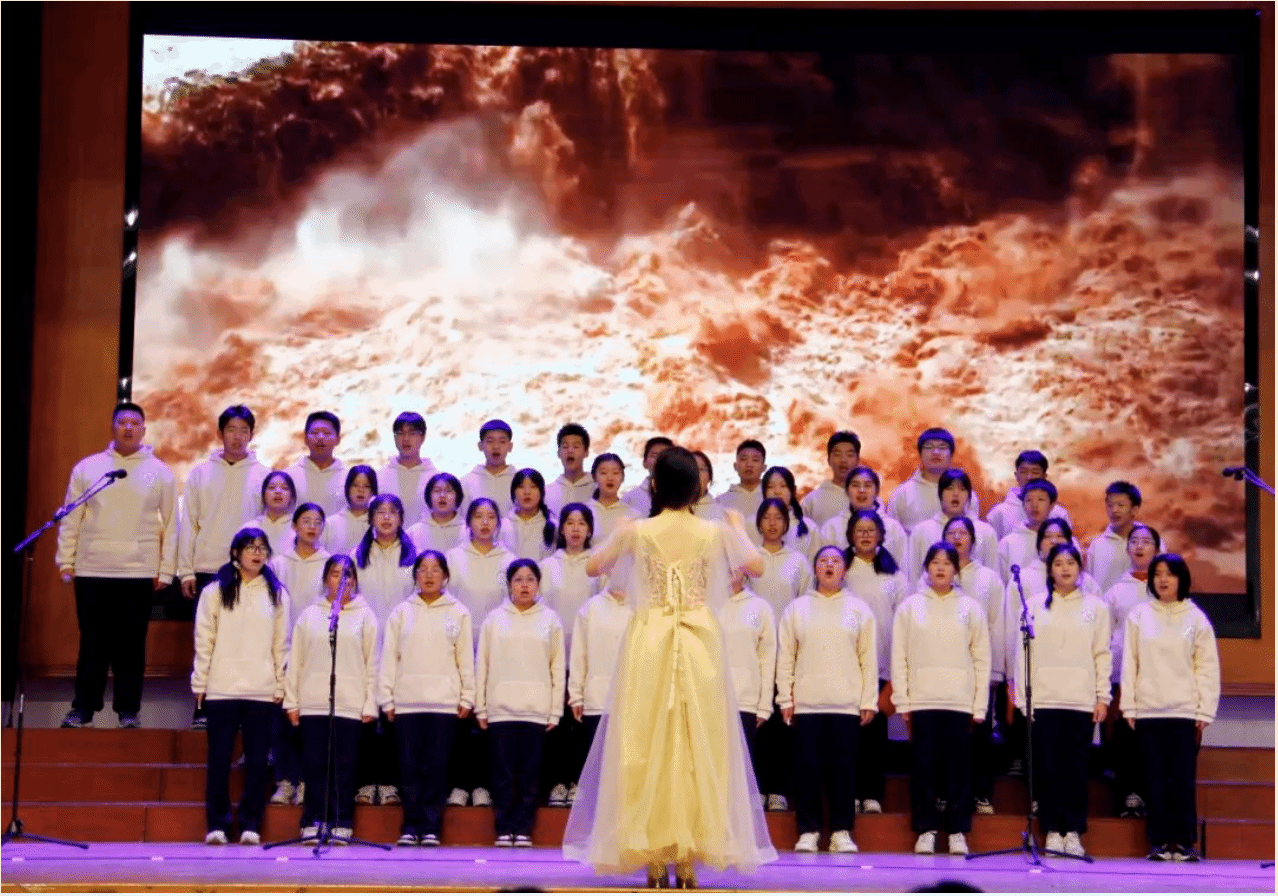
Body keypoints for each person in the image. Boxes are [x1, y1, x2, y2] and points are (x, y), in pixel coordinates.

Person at [563, 446, 776, 888]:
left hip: (650, 640)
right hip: (700, 643)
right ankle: (688, 857)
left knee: (645, 744)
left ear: (655, 485)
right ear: (697, 487)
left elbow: (593, 566)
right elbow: (756, 565)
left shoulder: (639, 530)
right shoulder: (714, 531)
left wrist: (619, 533)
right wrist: (739, 528)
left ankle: (656, 855)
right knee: (699, 745)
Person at [56, 402, 178, 729]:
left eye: (135, 423)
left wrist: (167, 570)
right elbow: (71, 517)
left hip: (138, 572)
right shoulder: (88, 468)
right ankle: (83, 708)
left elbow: (172, 524)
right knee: (92, 643)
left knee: (131, 646)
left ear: (144, 430)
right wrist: (66, 560)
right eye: (122, 422)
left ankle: (128, 711)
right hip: (92, 569)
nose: (128, 428)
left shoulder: (160, 471)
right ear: (112, 427)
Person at [1011, 543, 1111, 859]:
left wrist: (1102, 696)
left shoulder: (1096, 608)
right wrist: (1024, 700)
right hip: (1044, 700)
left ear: (1080, 568)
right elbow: (1021, 654)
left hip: (1080, 701)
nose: (1065, 568)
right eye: (1058, 563)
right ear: (1049, 570)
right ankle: (1052, 830)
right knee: (1048, 769)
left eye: (1070, 563)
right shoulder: (1034, 606)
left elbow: (1102, 653)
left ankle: (1074, 832)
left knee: (1076, 770)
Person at [191, 527, 290, 846]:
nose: (257, 553)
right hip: (222, 688)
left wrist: (280, 683)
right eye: (250, 547)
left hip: (261, 690)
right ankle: (217, 824)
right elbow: (204, 638)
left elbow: (281, 643)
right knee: (219, 759)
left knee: (258, 761)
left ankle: (251, 823)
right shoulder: (215, 591)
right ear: (236, 553)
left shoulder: (277, 593)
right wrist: (200, 681)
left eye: (262, 548)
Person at [892, 542, 991, 857]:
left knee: (959, 769)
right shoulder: (910, 607)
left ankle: (958, 830)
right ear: (926, 568)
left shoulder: (970, 608)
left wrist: (979, 704)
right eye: (935, 562)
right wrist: (903, 700)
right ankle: (926, 829)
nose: (940, 568)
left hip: (959, 701)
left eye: (947, 563)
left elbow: (981, 659)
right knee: (924, 768)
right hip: (923, 700)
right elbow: (899, 656)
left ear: (956, 570)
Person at [777, 546, 877, 855]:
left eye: (835, 561)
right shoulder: (797, 609)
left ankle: (841, 831)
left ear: (844, 570)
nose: (829, 565)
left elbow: (868, 658)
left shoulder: (859, 610)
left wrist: (868, 700)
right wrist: (785, 697)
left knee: (842, 772)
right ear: (816, 569)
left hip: (845, 705)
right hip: (807, 704)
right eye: (823, 560)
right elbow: (786, 656)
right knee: (807, 771)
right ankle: (808, 831)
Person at [1119, 554, 1219, 862]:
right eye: (1158, 574)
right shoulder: (1139, 615)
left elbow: (1206, 667)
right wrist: (1129, 706)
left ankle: (1185, 842)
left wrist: (1204, 711)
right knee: (1156, 780)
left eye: (1170, 574)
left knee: (1183, 780)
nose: (1163, 580)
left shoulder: (1196, 618)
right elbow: (1130, 662)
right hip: (1149, 711)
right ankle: (1160, 842)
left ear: (1181, 579)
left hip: (1185, 712)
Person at [177, 405, 269, 731]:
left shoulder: (264, 475)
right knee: (208, 641)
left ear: (252, 435)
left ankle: (244, 712)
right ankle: (203, 707)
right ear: (220, 434)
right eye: (231, 429)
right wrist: (186, 571)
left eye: (244, 430)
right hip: (208, 568)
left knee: (247, 642)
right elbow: (188, 523)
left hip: (251, 573)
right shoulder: (201, 474)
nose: (237, 436)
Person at [377, 550, 475, 847]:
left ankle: (431, 826)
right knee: (408, 768)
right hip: (407, 703)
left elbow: (465, 659)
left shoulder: (458, 612)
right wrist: (386, 699)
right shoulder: (401, 612)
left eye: (435, 569)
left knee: (436, 767)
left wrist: (467, 696)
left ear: (445, 576)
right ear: (415, 575)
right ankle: (410, 825)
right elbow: (389, 658)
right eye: (423, 569)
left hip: (444, 704)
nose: (429, 575)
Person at [284, 555, 378, 845]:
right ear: (326, 579)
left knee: (344, 767)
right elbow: (296, 660)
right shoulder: (310, 615)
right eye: (336, 574)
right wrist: (292, 701)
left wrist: (370, 702)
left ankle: (340, 821)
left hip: (349, 703)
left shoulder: (365, 616)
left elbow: (373, 662)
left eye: (348, 575)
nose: (342, 580)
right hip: (313, 701)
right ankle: (312, 821)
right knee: (314, 765)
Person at [476, 559, 566, 848]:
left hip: (536, 711)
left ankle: (523, 829)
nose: (524, 585)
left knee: (530, 776)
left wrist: (555, 710)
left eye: (530, 579)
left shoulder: (550, 620)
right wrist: (481, 706)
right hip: (500, 710)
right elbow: (482, 665)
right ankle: (503, 828)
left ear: (538, 585)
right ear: (509, 585)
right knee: (502, 775)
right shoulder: (494, 619)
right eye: (518, 579)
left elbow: (557, 667)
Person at [444, 498, 516, 809]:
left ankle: (485, 785)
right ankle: (459, 785)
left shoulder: (509, 560)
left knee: (489, 720)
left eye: (490, 517)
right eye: (478, 516)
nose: (484, 522)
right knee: (459, 720)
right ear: (468, 522)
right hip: (457, 648)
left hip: (496, 650)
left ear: (499, 523)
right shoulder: (453, 558)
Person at [931, 516, 1004, 815]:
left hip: (980, 667)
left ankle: (980, 792)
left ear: (973, 540)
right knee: (944, 739)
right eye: (951, 532)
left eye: (963, 533)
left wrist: (995, 670)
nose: (957, 537)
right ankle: (943, 793)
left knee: (979, 732)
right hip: (944, 670)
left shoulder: (988, 578)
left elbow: (997, 623)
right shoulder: (930, 581)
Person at [842, 510, 908, 816]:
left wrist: (896, 670)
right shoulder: (841, 570)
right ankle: (849, 793)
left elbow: (903, 623)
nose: (866, 535)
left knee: (874, 734)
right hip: (845, 667)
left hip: (881, 665)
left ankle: (871, 794)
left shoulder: (894, 576)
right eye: (860, 530)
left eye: (871, 530)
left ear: (881, 535)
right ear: (850, 535)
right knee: (848, 736)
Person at [351, 495, 416, 806]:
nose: (386, 518)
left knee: (393, 717)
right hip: (363, 645)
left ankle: (390, 782)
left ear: (401, 518)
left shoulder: (414, 558)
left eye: (393, 512)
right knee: (364, 715)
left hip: (402, 648)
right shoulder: (356, 556)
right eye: (380, 512)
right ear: (370, 518)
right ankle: (365, 782)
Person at [266, 503, 330, 806]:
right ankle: (285, 781)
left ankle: (306, 781)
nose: (312, 527)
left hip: (317, 652)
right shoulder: (278, 564)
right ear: (294, 526)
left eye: (318, 522)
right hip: (284, 650)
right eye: (306, 521)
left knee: (311, 723)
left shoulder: (329, 563)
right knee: (282, 721)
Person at [542, 503, 603, 808]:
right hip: (553, 659)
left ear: (590, 530)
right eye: (570, 522)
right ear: (561, 528)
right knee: (556, 723)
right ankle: (556, 782)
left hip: (587, 659)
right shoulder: (546, 567)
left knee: (580, 726)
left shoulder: (598, 566)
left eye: (582, 523)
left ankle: (579, 782)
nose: (576, 529)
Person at [1101, 524, 1161, 818]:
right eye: (1134, 541)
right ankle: (1128, 795)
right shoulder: (1115, 591)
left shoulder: (1163, 590)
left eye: (1146, 542)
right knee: (1124, 735)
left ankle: (1150, 794)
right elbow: (1106, 634)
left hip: (1156, 679)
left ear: (1157, 550)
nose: (1139, 546)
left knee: (1151, 738)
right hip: (1121, 675)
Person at [566, 583, 633, 814]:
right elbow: (579, 655)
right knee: (599, 764)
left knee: (629, 764)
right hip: (597, 699)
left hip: (634, 700)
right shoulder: (590, 609)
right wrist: (576, 695)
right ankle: (598, 820)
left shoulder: (642, 607)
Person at [719, 568, 777, 819]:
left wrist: (764, 704)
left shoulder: (760, 608)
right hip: (710, 696)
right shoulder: (705, 604)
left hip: (745, 698)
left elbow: (767, 658)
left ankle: (740, 823)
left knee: (742, 765)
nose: (730, 571)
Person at [906, 469, 998, 579]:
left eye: (962, 489)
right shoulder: (922, 531)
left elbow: (993, 575)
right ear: (940, 494)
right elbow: (913, 576)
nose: (955, 494)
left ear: (969, 496)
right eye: (949, 488)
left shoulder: (985, 532)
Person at [886, 428, 979, 533]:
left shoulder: (966, 496)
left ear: (952, 455)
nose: (936, 452)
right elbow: (892, 535)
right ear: (920, 454)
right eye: (929, 447)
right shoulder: (902, 494)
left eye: (942, 447)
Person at [817, 467, 908, 570]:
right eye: (855, 485)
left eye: (867, 485)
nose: (861, 490)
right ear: (847, 491)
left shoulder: (893, 528)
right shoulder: (831, 528)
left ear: (877, 491)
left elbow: (903, 568)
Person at [984, 450, 1073, 540]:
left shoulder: (1058, 514)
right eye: (1024, 472)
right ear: (1016, 475)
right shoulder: (999, 513)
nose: (1029, 477)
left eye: (1035, 472)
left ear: (1044, 477)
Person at [1087, 481, 1156, 593]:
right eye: (1110, 505)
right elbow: (1089, 585)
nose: (1114, 510)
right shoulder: (1097, 546)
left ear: (1134, 510)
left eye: (1120, 505)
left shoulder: (1151, 542)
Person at [996, 479, 1062, 584]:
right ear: (1023, 505)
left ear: (1052, 505)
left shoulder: (1064, 541)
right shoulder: (1007, 543)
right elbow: (1000, 582)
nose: (1034, 505)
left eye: (1040, 500)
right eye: (1029, 500)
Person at [285, 411, 348, 516]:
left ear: (338, 439)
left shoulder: (348, 479)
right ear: (305, 439)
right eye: (314, 433)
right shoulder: (289, 477)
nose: (320, 437)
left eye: (327, 433)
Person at [378, 412, 436, 526]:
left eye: (412, 433)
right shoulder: (380, 477)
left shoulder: (434, 479)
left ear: (423, 437)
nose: (406, 439)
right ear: (394, 437)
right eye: (400, 433)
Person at [800, 431, 861, 527]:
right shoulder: (812, 501)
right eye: (837, 454)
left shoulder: (868, 498)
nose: (843, 460)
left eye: (849, 455)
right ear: (828, 460)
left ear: (857, 460)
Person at [461, 420, 518, 517]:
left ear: (510, 446)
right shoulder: (466, 483)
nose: (496, 446)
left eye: (502, 442)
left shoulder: (519, 482)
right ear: (480, 446)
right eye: (490, 441)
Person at [761, 466, 818, 558]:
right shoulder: (752, 524)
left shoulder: (810, 528)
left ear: (793, 491)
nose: (777, 491)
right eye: (771, 487)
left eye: (783, 486)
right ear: (763, 492)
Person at [500, 469, 557, 561]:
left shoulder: (553, 526)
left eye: (533, 487)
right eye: (521, 487)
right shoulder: (502, 526)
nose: (527, 492)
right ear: (513, 492)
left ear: (542, 492)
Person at [405, 472, 467, 554]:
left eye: (448, 491)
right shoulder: (413, 533)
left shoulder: (468, 532)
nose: (442, 495)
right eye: (437, 491)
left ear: (458, 496)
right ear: (429, 496)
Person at [324, 465, 378, 556]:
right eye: (355, 485)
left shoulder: (378, 525)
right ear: (348, 489)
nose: (360, 490)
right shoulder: (329, 524)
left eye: (366, 486)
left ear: (373, 491)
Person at [587, 453, 638, 545]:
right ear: (594, 477)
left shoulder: (633, 516)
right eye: (603, 473)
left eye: (615, 473)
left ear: (622, 477)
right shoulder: (584, 512)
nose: (610, 478)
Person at [546, 423, 595, 517]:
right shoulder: (548, 493)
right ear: (558, 453)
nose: (570, 450)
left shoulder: (597, 490)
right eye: (565, 447)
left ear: (586, 452)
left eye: (576, 446)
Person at [247, 472, 298, 557]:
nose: (278, 491)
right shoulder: (250, 528)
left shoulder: (299, 531)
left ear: (292, 497)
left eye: (284, 488)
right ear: (263, 495)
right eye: (271, 487)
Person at [716, 440, 767, 523]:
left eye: (755, 460)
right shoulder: (720, 502)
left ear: (764, 467)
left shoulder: (771, 498)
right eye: (743, 459)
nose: (749, 464)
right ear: (735, 466)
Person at [621, 436, 673, 518]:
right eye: (654, 456)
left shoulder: (684, 498)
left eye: (665, 456)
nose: (660, 460)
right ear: (644, 462)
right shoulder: (629, 498)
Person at [691, 450, 726, 523]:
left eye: (701, 469)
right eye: (691, 469)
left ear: (709, 476)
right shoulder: (672, 510)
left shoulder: (720, 513)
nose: (697, 474)